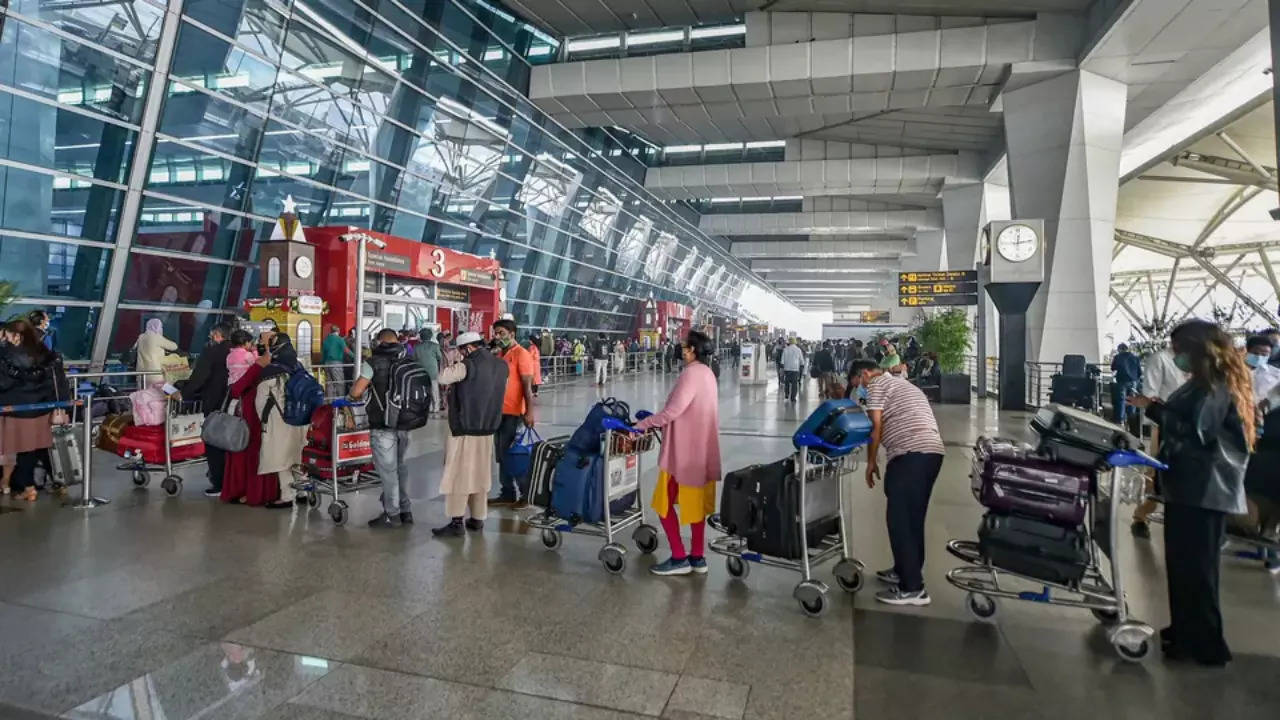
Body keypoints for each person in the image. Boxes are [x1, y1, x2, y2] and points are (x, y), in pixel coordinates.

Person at [1127, 320, 1253, 666]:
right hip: (1190, 486)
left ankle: (1206, 644)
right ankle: (1184, 631)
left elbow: (1198, 431)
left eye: (1180, 349)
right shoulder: (1200, 382)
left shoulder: (1215, 386)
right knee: (1183, 565)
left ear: (1198, 349)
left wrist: (1152, 408)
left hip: (1206, 489)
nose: (1176, 355)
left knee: (1198, 570)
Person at [849, 358, 946, 606]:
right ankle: (905, 570)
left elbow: (875, 426)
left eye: (856, 382)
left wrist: (871, 462)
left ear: (864, 374)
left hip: (911, 453)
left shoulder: (876, 385)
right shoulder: (903, 384)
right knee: (913, 518)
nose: (859, 389)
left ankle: (913, 588)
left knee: (900, 519)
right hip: (931, 452)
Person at [633, 330, 722, 576]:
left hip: (682, 455)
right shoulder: (708, 374)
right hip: (701, 452)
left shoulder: (691, 374)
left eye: (684, 346)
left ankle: (679, 557)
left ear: (692, 349)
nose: (681, 350)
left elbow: (673, 412)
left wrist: (642, 424)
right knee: (696, 507)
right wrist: (654, 419)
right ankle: (697, 556)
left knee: (663, 504)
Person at [431, 332, 508, 536]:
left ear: (467, 349)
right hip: (488, 428)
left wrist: (456, 361)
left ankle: (457, 522)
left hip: (465, 428)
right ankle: (477, 518)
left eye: (460, 350)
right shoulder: (501, 365)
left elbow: (442, 377)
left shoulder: (467, 365)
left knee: (459, 474)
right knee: (480, 473)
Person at [348, 329, 416, 528]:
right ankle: (406, 511)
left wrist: (352, 395)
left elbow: (357, 390)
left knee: (388, 471)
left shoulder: (373, 362)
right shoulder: (408, 360)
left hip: (383, 424)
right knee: (401, 467)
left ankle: (391, 514)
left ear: (379, 341)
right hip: (405, 422)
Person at [0, 320, 69, 502]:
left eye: (7, 334)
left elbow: (3, 383)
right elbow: (59, 381)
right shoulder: (46, 354)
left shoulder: (7, 356)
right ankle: (57, 481)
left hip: (19, 410)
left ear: (17, 336)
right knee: (38, 448)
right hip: (42, 409)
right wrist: (61, 404)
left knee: (24, 450)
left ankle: (28, 488)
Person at [1131, 345, 1189, 538]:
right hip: (1164, 424)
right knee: (1157, 473)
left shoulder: (1202, 367)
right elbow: (1150, 394)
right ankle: (1141, 515)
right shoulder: (1161, 359)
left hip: (1184, 429)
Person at [1237, 335, 1280, 572]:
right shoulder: (1234, 374)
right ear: (1248, 350)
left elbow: (1267, 403)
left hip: (1264, 442)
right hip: (1244, 438)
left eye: (1266, 353)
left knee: (1266, 496)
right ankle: (1257, 541)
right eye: (1258, 352)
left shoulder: (1274, 377)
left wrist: (1262, 409)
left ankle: (1268, 549)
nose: (1262, 357)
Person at [177, 322, 232, 497]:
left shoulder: (211, 351)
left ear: (217, 335)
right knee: (232, 441)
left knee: (214, 441)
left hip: (214, 402)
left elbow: (200, 377)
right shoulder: (237, 351)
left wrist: (184, 393)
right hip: (234, 403)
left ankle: (219, 483)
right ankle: (232, 480)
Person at [490, 319, 537, 507]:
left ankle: (525, 493)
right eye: (496, 333)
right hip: (498, 413)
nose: (497, 337)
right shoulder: (501, 354)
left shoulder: (521, 355)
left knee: (514, 454)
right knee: (501, 455)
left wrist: (529, 412)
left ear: (512, 334)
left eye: (501, 333)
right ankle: (507, 492)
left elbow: (527, 387)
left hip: (514, 413)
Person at [135, 318, 178, 385]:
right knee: (158, 394)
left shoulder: (141, 337)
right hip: (155, 374)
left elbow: (134, 347)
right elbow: (174, 347)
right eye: (160, 327)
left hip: (141, 375)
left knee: (143, 394)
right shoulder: (156, 337)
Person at [1110, 343, 1142, 424]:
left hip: (1122, 381)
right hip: (1133, 382)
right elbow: (1139, 372)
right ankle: (1132, 421)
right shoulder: (1135, 357)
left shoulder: (1118, 357)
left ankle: (1121, 420)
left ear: (1120, 349)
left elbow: (1113, 368)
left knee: (1121, 401)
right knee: (1132, 401)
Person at [414, 327, 443, 412]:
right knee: (434, 390)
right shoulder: (435, 346)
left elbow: (414, 358)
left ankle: (428, 407)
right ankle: (436, 407)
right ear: (430, 336)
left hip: (420, 372)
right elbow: (439, 357)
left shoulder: (416, 347)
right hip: (433, 372)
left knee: (425, 390)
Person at [322, 324, 352, 397]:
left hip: (326, 364)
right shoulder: (339, 339)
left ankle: (330, 403)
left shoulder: (326, 340)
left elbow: (323, 354)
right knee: (340, 383)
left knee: (329, 384)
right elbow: (346, 350)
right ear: (338, 331)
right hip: (336, 363)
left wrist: (322, 364)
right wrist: (356, 357)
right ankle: (341, 402)